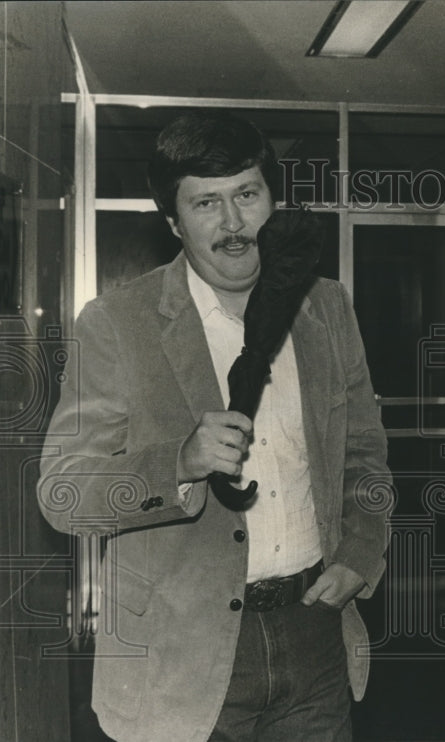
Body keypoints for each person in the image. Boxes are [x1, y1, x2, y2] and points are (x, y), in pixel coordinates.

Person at [37, 111, 391, 742]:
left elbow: (364, 457)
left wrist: (363, 552)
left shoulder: (327, 308)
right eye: (206, 203)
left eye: (247, 195)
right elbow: (64, 494)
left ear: (272, 203)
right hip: (180, 654)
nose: (233, 224)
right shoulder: (118, 323)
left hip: (316, 631)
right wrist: (178, 462)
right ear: (174, 222)